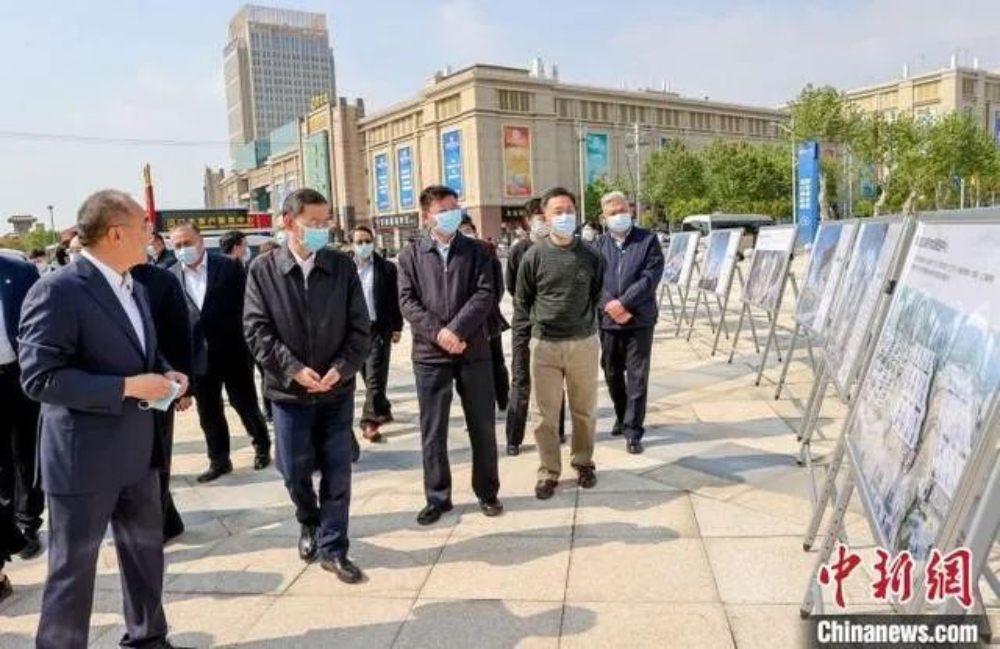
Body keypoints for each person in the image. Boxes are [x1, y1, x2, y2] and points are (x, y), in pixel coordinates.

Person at [18, 189, 191, 649]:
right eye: (143, 227)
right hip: (83, 458)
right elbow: (39, 378)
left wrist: (164, 372)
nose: (151, 235)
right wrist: (128, 387)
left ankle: (149, 637)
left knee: (145, 557)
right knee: (73, 570)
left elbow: (141, 352)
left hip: (137, 451)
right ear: (116, 233)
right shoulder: (57, 290)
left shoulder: (134, 284)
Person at [244, 188, 370, 584]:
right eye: (312, 222)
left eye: (324, 221)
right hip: (289, 393)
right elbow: (256, 330)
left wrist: (342, 368)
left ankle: (334, 548)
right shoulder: (263, 270)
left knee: (337, 470)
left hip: (335, 391)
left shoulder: (341, 266)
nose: (320, 229)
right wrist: (294, 369)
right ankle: (308, 519)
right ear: (288, 222)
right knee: (292, 469)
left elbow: (360, 327)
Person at [397, 185, 503, 525]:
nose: (451, 214)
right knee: (433, 430)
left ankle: (487, 491)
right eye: (443, 209)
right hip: (430, 355)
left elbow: (486, 294)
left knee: (482, 426)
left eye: (454, 207)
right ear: (426, 215)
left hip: (473, 350)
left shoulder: (478, 250)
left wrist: (456, 331)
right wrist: (439, 333)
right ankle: (437, 497)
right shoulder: (410, 256)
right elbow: (407, 302)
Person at [512, 187, 603, 500]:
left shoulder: (591, 255)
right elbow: (522, 302)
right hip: (545, 346)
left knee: (584, 410)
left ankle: (583, 461)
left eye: (569, 211)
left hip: (583, 343)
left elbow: (596, 294)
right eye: (557, 211)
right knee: (544, 415)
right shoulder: (533, 255)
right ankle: (549, 471)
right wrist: (526, 342)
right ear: (545, 217)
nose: (564, 216)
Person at [170, 222, 271, 482]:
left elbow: (249, 307)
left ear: (201, 242)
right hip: (198, 358)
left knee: (245, 404)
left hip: (233, 351)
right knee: (209, 411)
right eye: (178, 245)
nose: (183, 249)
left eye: (187, 243)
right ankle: (219, 460)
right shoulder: (170, 277)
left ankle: (261, 446)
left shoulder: (229, 267)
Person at [594, 191, 665, 455]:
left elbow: (650, 277)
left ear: (631, 210)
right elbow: (591, 280)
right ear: (603, 217)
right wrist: (609, 305)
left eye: (622, 210)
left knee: (637, 376)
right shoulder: (598, 246)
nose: (619, 216)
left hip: (639, 319)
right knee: (611, 372)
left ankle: (633, 431)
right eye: (612, 213)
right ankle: (623, 414)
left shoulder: (648, 240)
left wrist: (624, 303)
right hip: (608, 320)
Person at [131, 262, 194, 541]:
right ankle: (165, 520)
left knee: (158, 456)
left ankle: (159, 524)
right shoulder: (99, 281)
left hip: (161, 382)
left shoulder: (161, 280)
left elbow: (180, 334)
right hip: (120, 389)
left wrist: (183, 390)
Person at [504, 200, 565, 455]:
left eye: (545, 216)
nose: (543, 221)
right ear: (528, 221)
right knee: (520, 379)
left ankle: (558, 430)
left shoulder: (559, 246)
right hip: (525, 324)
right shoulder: (519, 250)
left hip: (553, 326)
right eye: (538, 217)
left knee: (554, 380)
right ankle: (514, 438)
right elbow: (512, 287)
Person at [0, 253, 42, 581]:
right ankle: (6, 530)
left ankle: (28, 523)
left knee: (26, 453)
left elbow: (42, 322)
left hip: (20, 376)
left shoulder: (20, 271)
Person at [350, 225, 403, 443]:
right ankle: (383, 408)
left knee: (375, 377)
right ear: (352, 245)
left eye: (367, 241)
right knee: (366, 374)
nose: (364, 245)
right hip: (354, 331)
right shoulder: (345, 269)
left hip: (379, 328)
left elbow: (395, 299)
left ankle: (369, 422)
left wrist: (397, 326)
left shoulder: (387, 268)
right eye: (359, 242)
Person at [458, 216, 510, 413]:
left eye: (468, 229)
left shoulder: (486, 249)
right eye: (461, 230)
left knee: (496, 360)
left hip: (488, 317)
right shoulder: (454, 254)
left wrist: (487, 306)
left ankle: (503, 401)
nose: (466, 234)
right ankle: (477, 407)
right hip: (463, 321)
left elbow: (498, 285)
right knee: (470, 366)